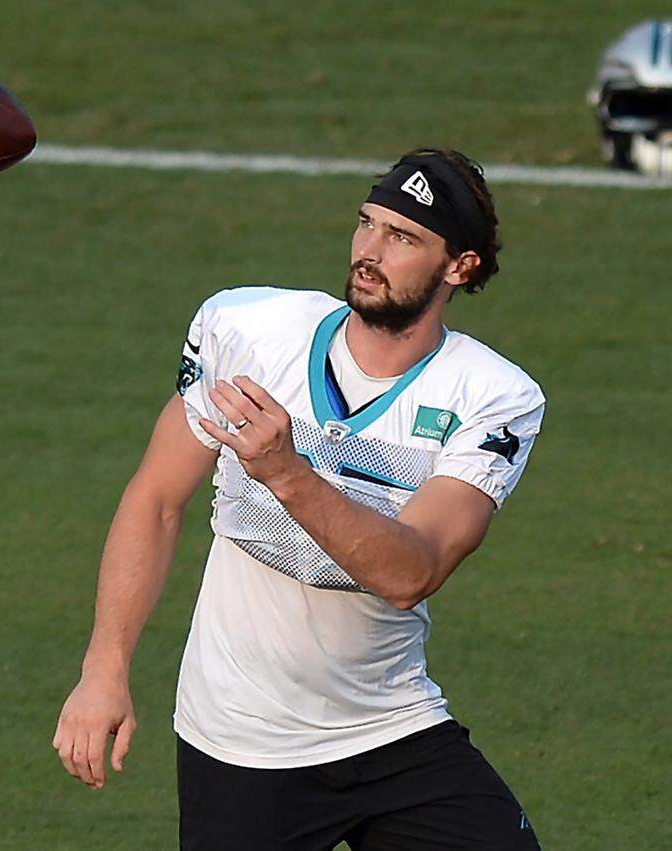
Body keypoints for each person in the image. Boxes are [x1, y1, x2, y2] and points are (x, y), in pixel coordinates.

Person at [53, 147, 546, 850]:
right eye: (367, 223)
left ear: (459, 266)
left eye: (403, 237)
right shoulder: (247, 330)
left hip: (391, 727)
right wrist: (103, 670)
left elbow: (413, 571)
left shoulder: (494, 397)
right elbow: (157, 499)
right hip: (241, 741)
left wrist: (287, 471)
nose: (370, 251)